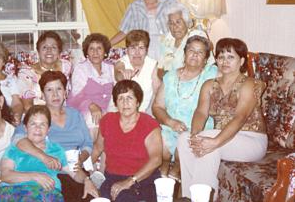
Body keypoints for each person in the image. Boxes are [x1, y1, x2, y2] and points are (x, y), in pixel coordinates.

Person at [177, 38, 267, 199]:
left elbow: (240, 117)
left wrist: (215, 141)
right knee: (184, 139)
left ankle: (203, 198)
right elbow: (200, 113)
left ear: (241, 61)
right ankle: (191, 196)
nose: (225, 61)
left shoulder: (249, 84)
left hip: (252, 140)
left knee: (209, 142)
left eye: (230, 57)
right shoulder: (209, 85)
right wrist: (194, 136)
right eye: (221, 57)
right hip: (223, 137)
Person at [12, 71, 94, 201]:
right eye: (49, 90)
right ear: (43, 94)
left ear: (65, 92)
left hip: (75, 171)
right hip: (49, 173)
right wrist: (44, 157)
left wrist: (81, 157)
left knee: (93, 197)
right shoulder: (37, 115)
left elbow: (88, 144)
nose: (55, 94)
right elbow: (17, 140)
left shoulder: (75, 114)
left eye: (59, 89)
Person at [0, 105, 98, 201]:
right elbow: (5, 175)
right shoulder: (15, 148)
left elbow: (74, 172)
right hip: (15, 192)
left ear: (48, 129)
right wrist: (35, 176)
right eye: (33, 124)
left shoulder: (56, 150)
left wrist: (87, 180)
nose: (38, 128)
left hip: (48, 195)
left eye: (43, 124)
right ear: (25, 128)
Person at [152, 35, 218, 180]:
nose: (195, 54)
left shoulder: (212, 74)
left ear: (206, 59)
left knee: (183, 147)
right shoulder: (170, 77)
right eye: (191, 50)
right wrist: (170, 122)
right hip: (170, 125)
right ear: (185, 53)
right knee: (159, 145)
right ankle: (163, 170)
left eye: (200, 52)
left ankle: (176, 172)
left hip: (198, 127)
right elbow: (157, 106)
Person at [92, 80, 162, 202]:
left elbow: (156, 160)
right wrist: (82, 170)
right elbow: (97, 148)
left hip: (142, 180)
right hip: (112, 179)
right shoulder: (107, 121)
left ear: (138, 102)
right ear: (115, 103)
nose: (125, 103)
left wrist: (130, 181)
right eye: (121, 98)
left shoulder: (149, 124)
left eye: (130, 98)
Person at [110, 0, 177, 60]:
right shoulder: (134, 7)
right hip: (144, 49)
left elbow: (180, 22)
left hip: (169, 47)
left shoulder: (169, 0)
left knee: (167, 72)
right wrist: (106, 45)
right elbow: (124, 31)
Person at [67, 33, 115, 138]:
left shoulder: (110, 68)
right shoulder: (81, 68)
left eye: (99, 48)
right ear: (87, 53)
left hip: (106, 108)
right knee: (93, 119)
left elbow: (115, 94)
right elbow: (76, 94)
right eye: (91, 49)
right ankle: (91, 152)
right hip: (84, 108)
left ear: (105, 52)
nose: (95, 52)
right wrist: (92, 106)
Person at [18, 31, 72, 109]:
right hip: (38, 114)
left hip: (63, 113)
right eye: (44, 47)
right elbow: (27, 106)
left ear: (59, 52)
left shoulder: (67, 67)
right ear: (38, 51)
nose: (49, 50)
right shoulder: (26, 73)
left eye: (53, 47)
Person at [158, 3, 214, 73]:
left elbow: (210, 66)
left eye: (178, 22)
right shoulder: (166, 40)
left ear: (186, 22)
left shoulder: (197, 36)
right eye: (171, 23)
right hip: (168, 81)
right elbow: (159, 68)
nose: (175, 26)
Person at [114, 30, 160, 113]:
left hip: (144, 113)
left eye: (141, 48)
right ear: (127, 50)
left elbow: (158, 92)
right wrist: (124, 74)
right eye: (132, 48)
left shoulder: (152, 64)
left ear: (146, 50)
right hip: (121, 112)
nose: (137, 53)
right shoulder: (121, 62)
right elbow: (118, 74)